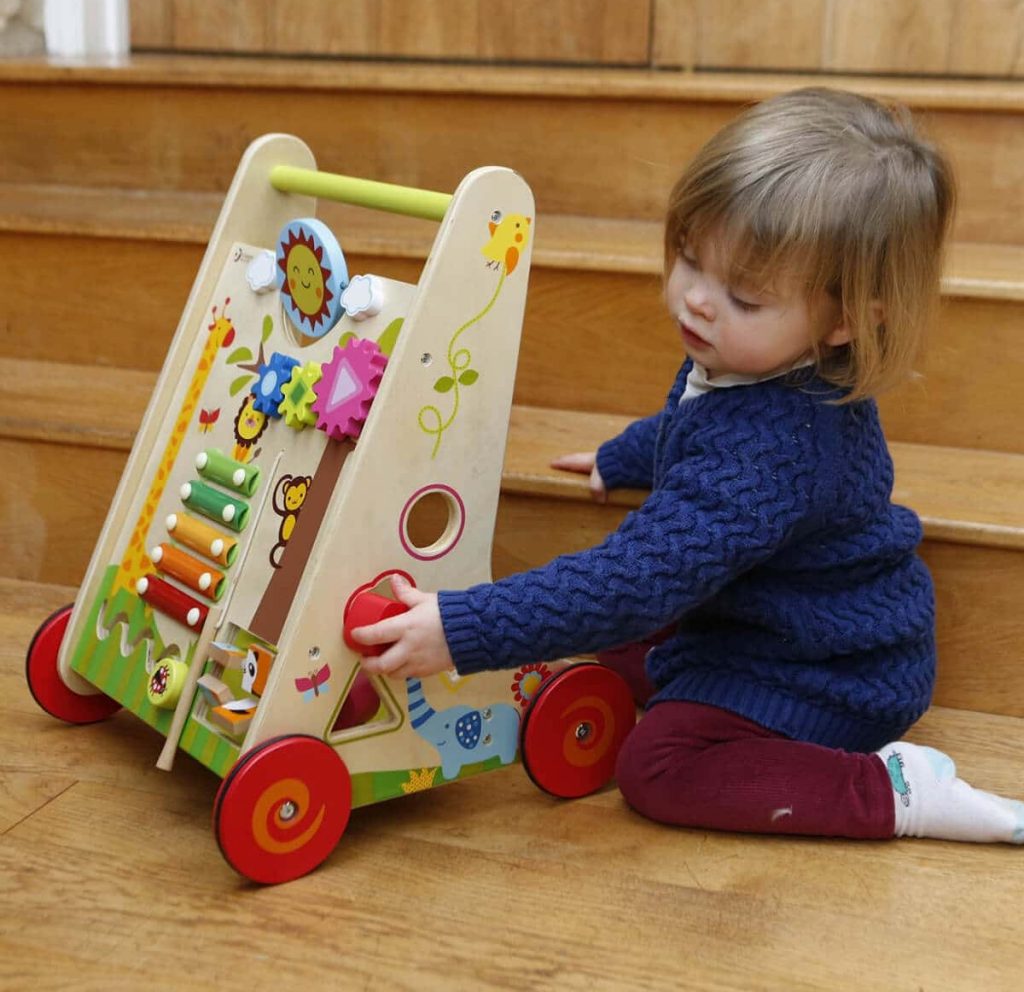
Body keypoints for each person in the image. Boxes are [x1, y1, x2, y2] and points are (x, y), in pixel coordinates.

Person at [354, 87, 1024, 844]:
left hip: (835, 670)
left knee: (659, 767)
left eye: (742, 295)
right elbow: (693, 424)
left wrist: (462, 626)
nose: (697, 301)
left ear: (843, 320)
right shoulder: (749, 361)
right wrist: (625, 456)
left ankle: (893, 791)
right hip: (762, 613)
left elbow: (635, 577)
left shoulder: (776, 448)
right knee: (608, 647)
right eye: (688, 257)